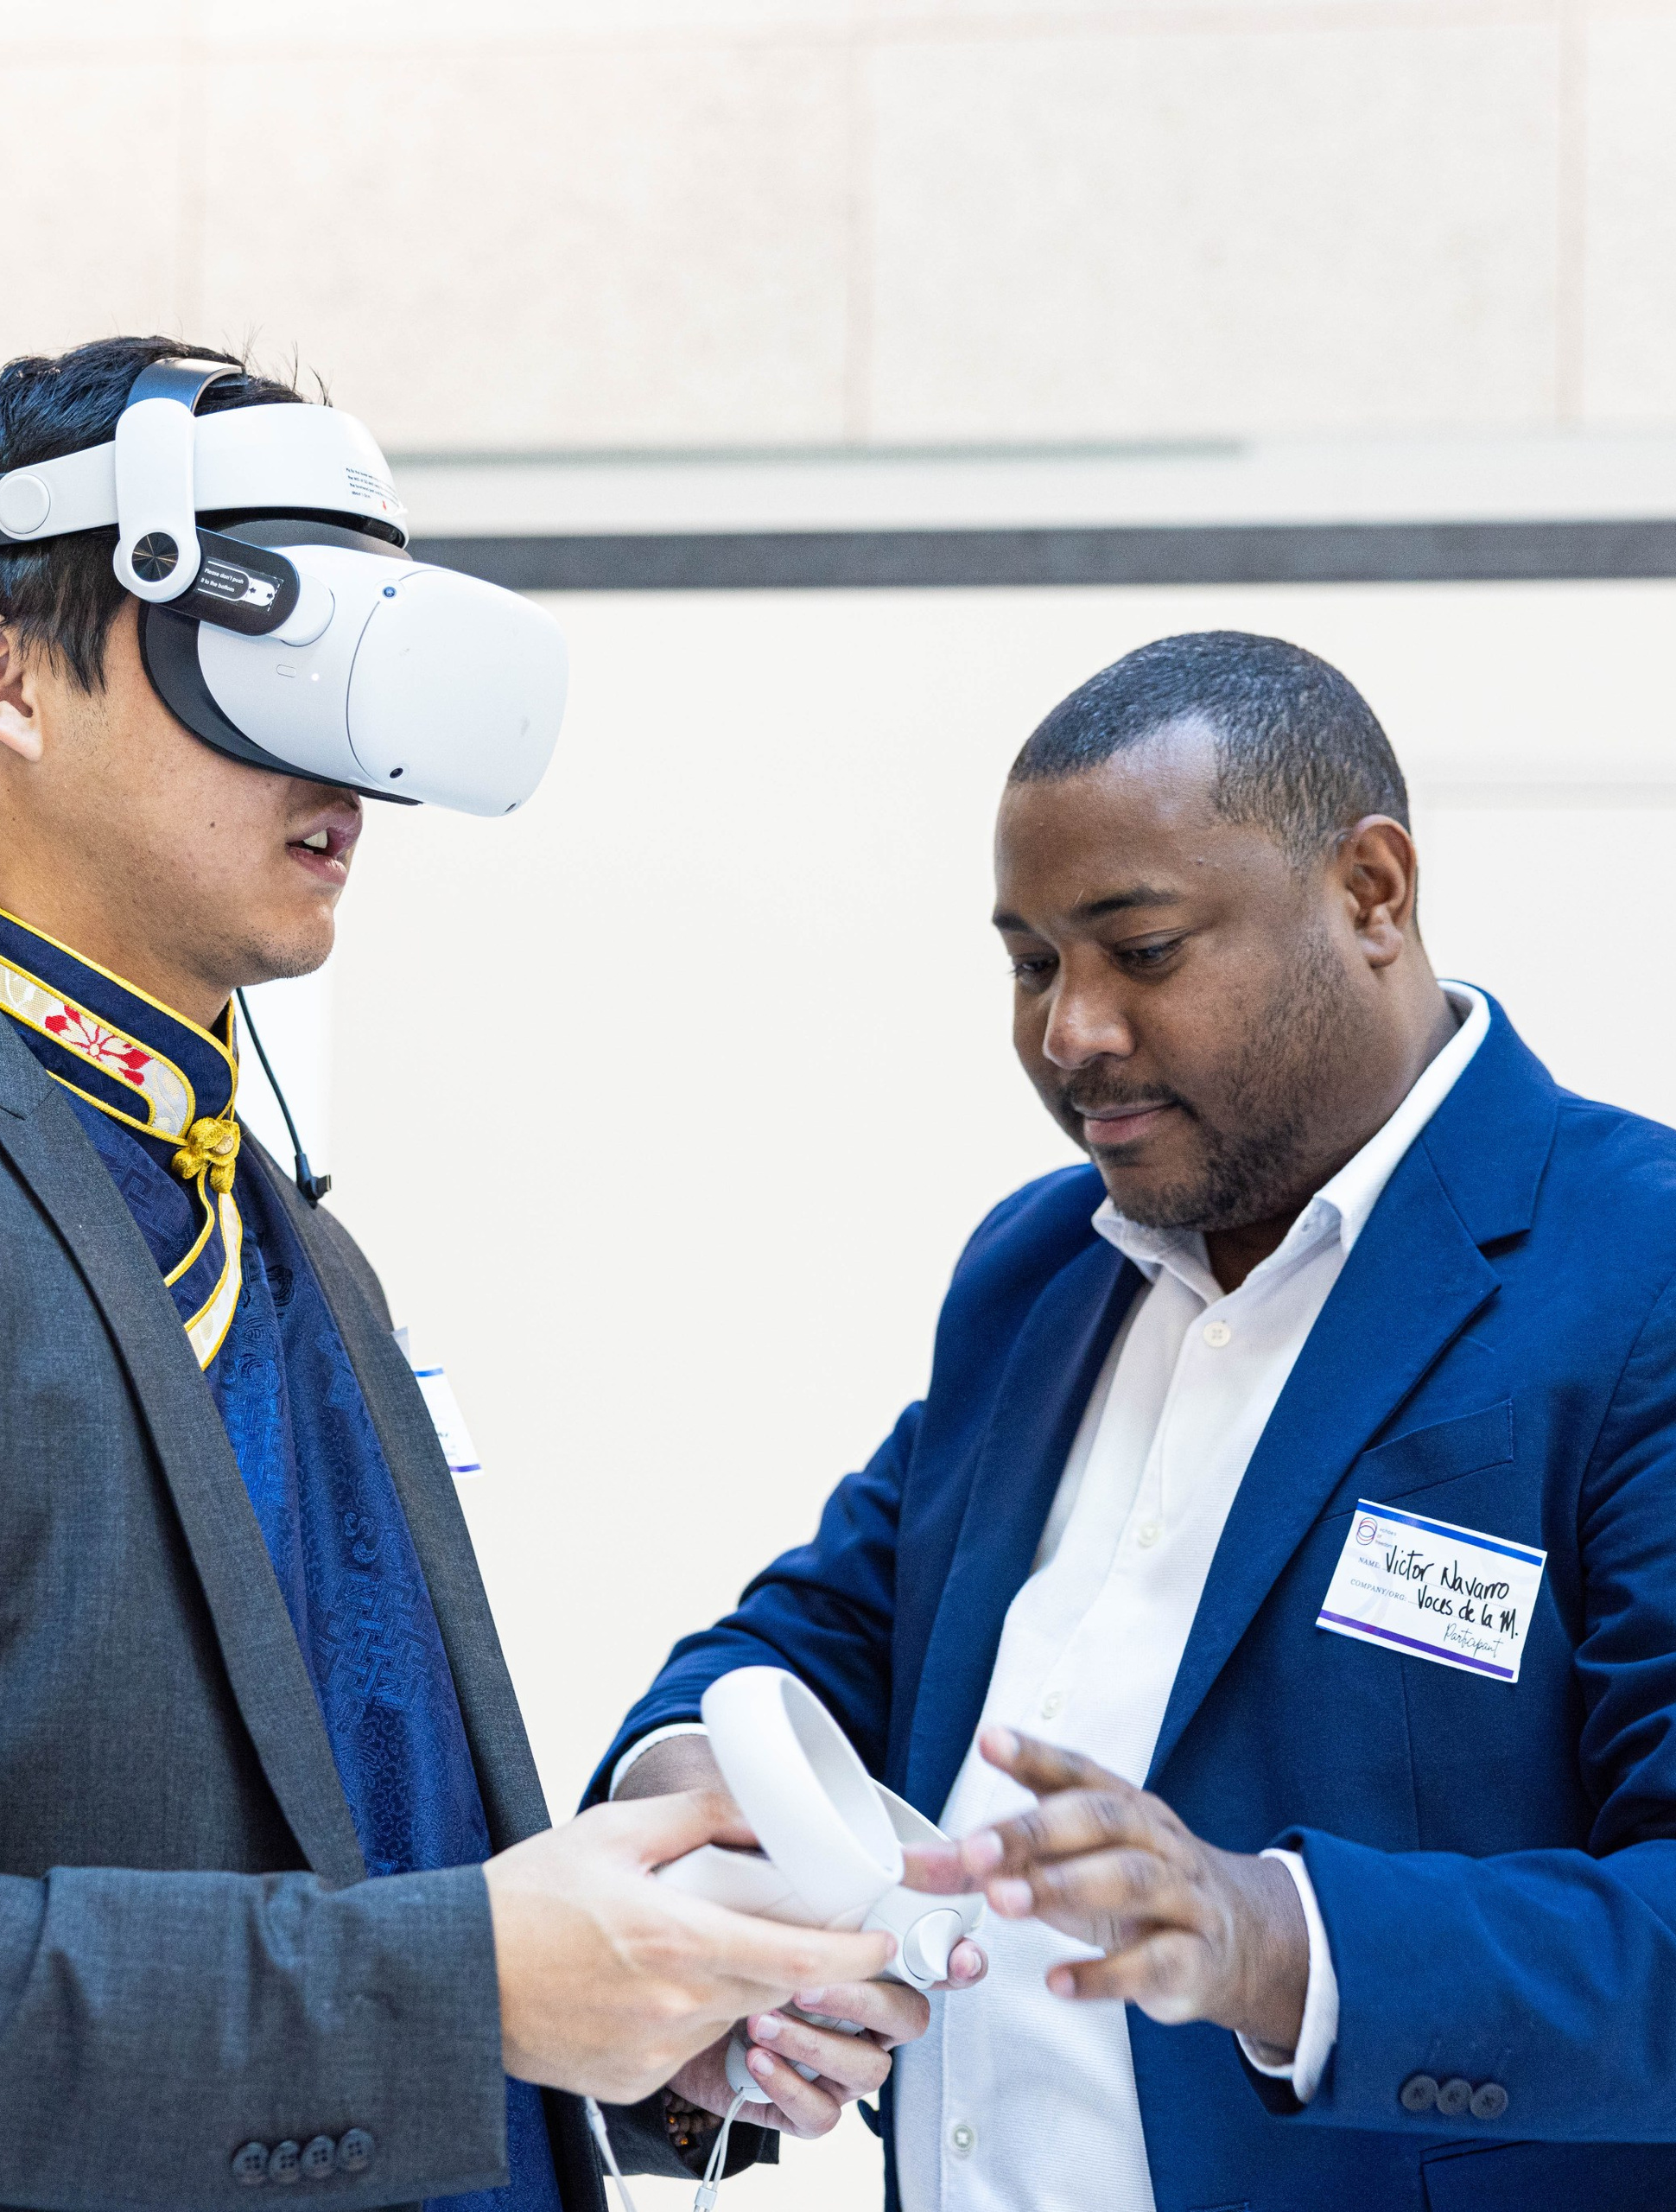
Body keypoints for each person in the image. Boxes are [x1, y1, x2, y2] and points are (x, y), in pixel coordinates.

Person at [0, 336, 903, 2212]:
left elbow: (355, 1851)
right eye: (264, 661)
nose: (343, 767)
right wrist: (465, 1985)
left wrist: (634, 2022)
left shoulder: (286, 1239)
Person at [600, 631, 1676, 2212]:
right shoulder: (1039, 1270)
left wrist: (1271, 1940)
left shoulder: (1635, 1279)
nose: (1070, 1032)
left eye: (1142, 950)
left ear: (1371, 894)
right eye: (1032, 963)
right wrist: (704, 1825)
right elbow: (815, 1636)